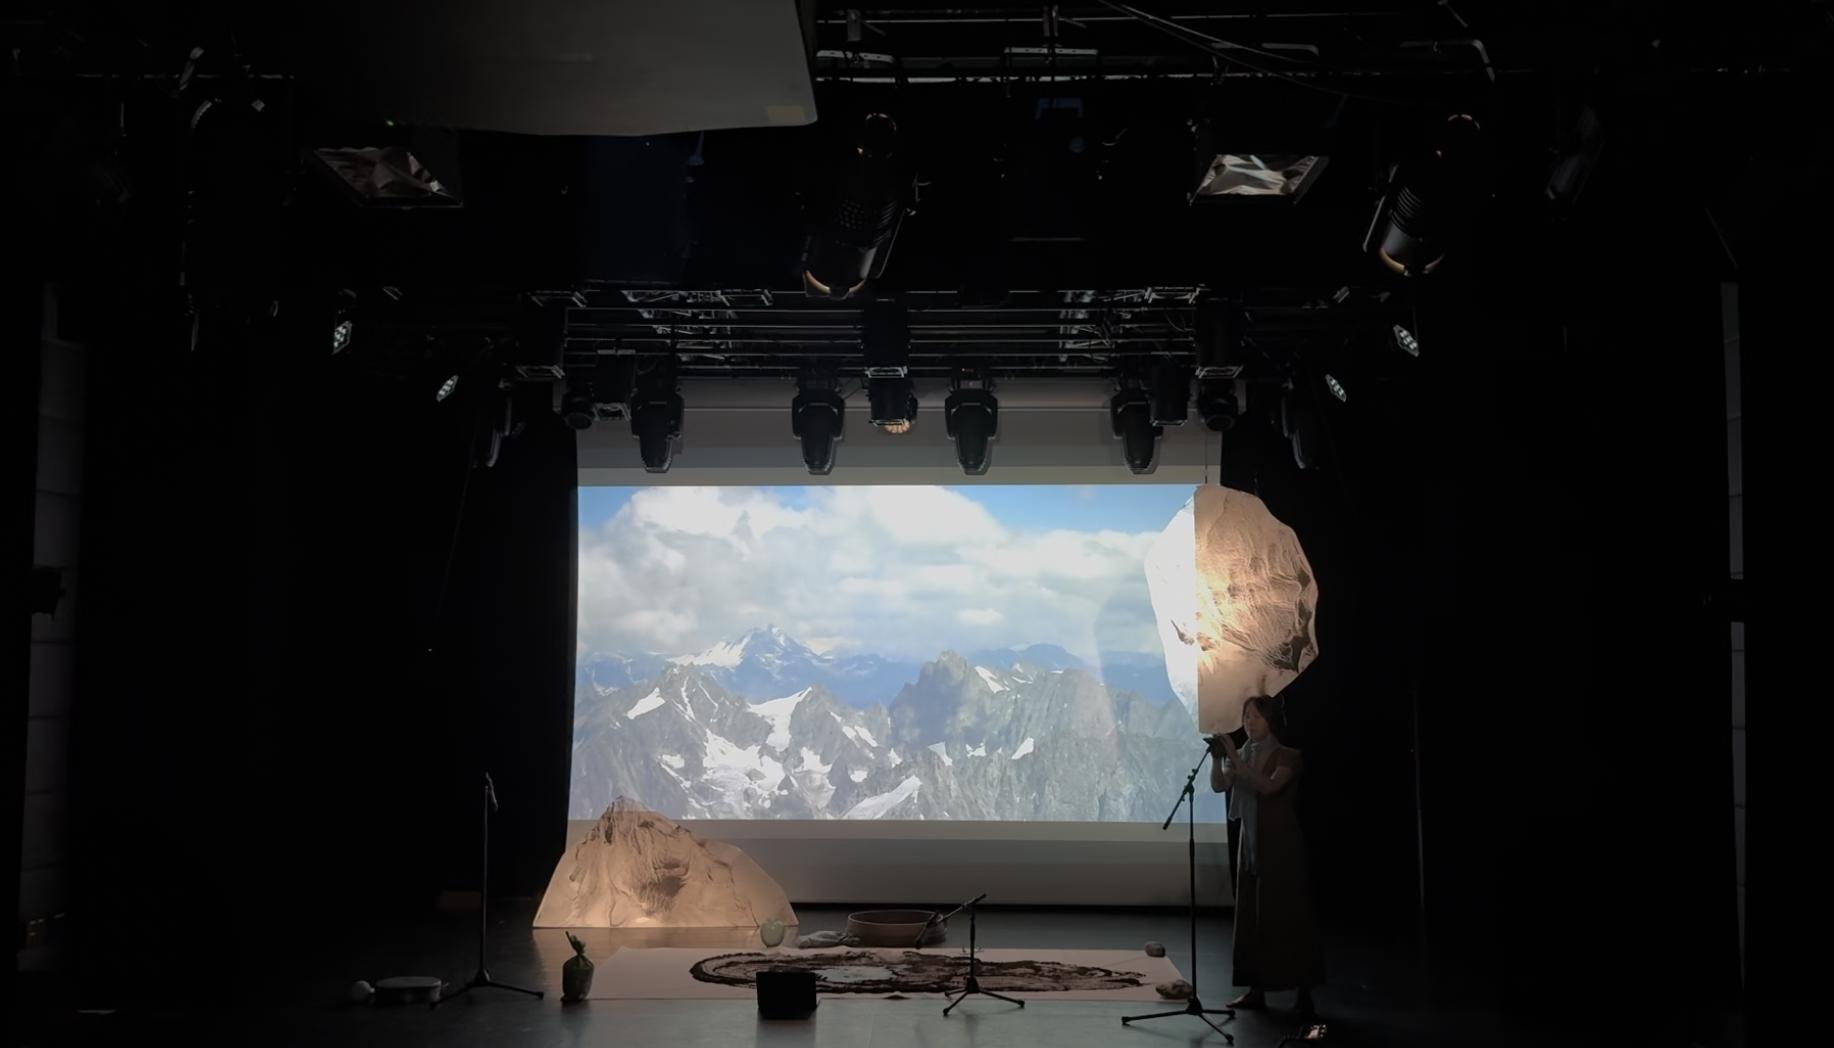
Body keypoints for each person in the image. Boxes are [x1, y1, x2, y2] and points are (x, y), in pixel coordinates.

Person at [1209, 694, 1324, 1016]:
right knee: (1252, 915)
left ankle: (1304, 992)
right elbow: (1220, 786)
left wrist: (1236, 757)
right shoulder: (1242, 755)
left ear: (1271, 721)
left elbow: (1270, 787)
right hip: (1251, 843)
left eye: (1256, 716)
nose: (1249, 722)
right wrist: (1217, 760)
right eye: (1246, 715)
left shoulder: (1288, 756)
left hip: (1280, 844)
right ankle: (1256, 990)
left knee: (1288, 914)